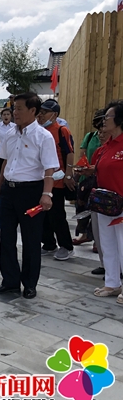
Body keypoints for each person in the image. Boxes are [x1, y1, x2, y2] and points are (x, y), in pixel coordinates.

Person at [0, 92, 59, 299]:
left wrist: (47, 194)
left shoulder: (43, 137)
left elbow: (49, 169)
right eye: (14, 108)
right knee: (6, 238)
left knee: (31, 240)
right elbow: (5, 161)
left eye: (19, 108)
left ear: (33, 111)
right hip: (9, 191)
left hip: (31, 192)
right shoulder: (10, 134)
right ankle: (10, 282)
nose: (15, 112)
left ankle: (29, 284)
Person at [91, 100, 123, 304]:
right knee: (108, 243)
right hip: (105, 203)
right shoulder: (106, 146)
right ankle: (112, 283)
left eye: (108, 116)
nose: (104, 120)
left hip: (121, 203)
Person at [36, 99, 76, 261]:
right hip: (40, 179)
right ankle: (48, 244)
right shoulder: (38, 131)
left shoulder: (61, 130)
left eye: (44, 112)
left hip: (57, 180)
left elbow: (70, 153)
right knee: (42, 215)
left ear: (54, 114)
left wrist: (68, 174)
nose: (41, 115)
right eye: (40, 112)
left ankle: (66, 246)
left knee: (56, 215)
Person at [73, 110, 105, 255]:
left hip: (101, 179)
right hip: (87, 178)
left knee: (98, 208)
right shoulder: (91, 136)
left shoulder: (112, 139)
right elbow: (83, 156)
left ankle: (97, 240)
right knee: (82, 207)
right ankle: (84, 234)